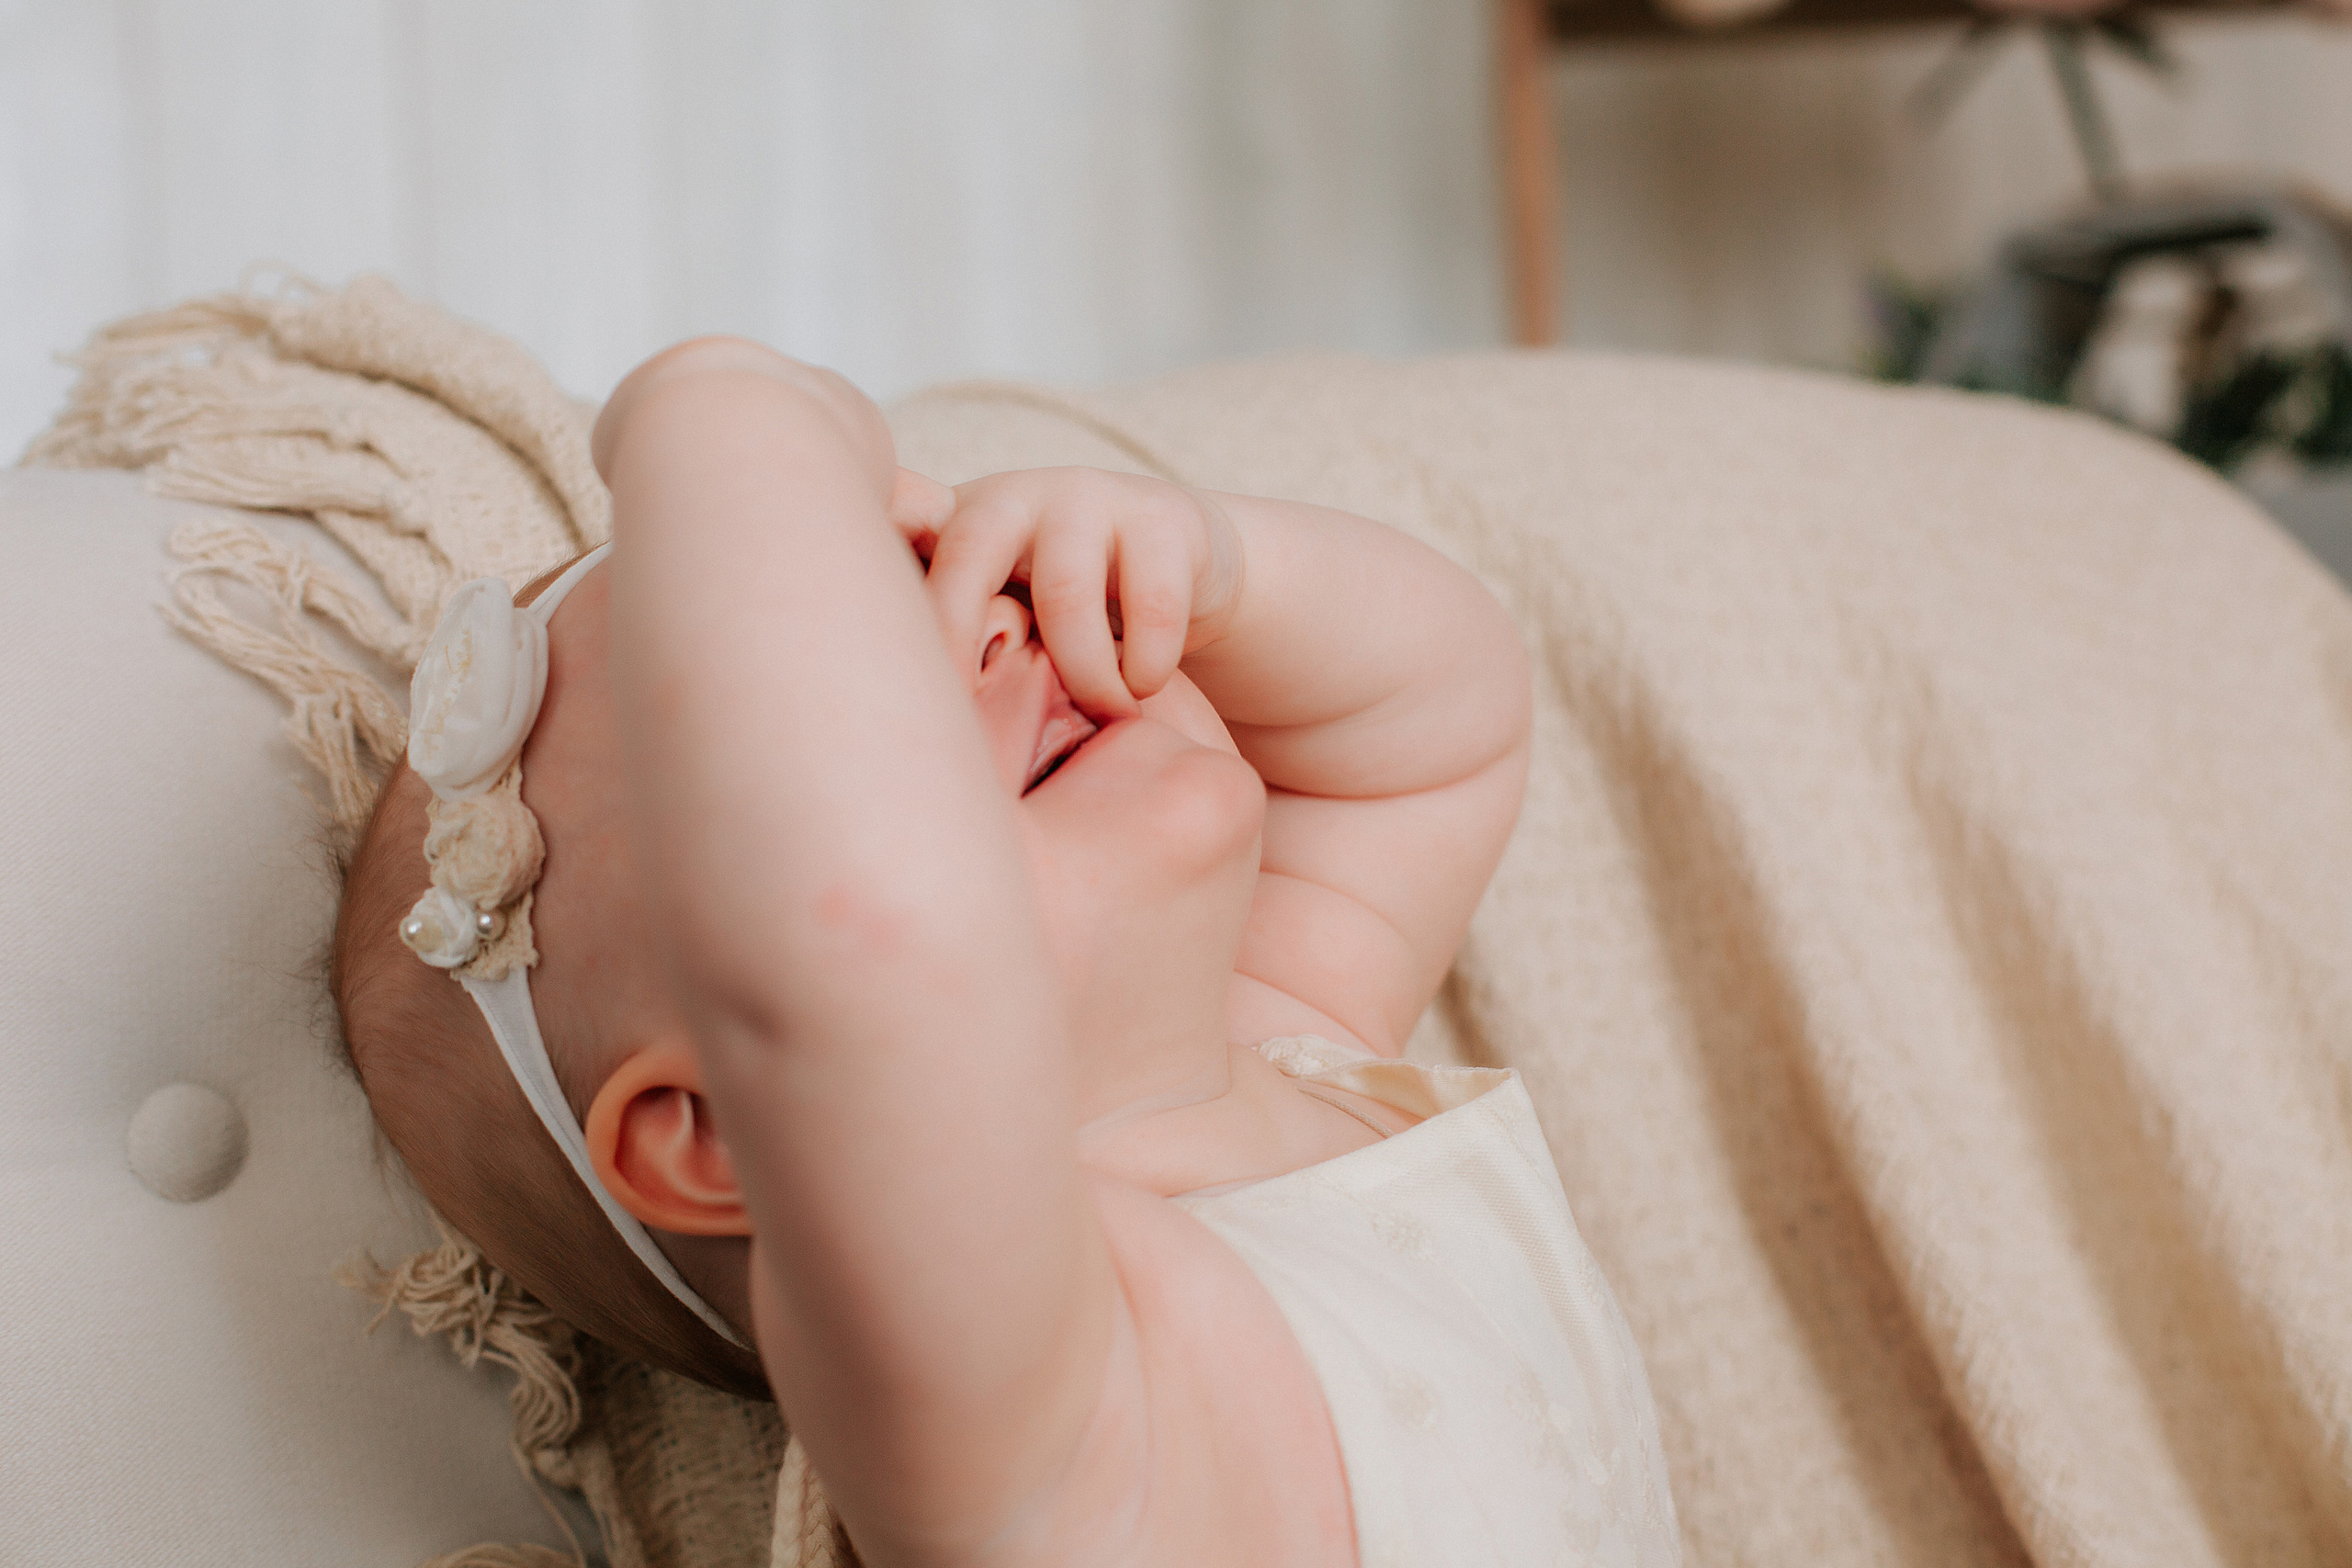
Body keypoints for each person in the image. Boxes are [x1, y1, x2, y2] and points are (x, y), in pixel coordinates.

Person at [334, 335, 1680, 1566]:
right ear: (729, 1132)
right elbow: (873, 953)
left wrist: (1213, 566)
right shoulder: (1027, 1402)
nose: (994, 621)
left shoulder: (1293, 1044)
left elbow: (1439, 728)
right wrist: (724, 417)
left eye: (936, 582)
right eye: (879, 690)